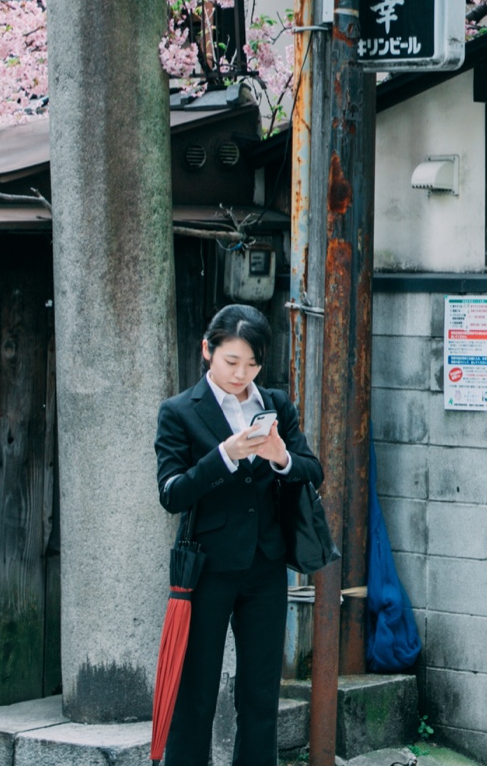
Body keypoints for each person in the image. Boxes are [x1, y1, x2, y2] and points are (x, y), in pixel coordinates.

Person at [155, 305, 319, 766]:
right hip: (206, 570)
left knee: (261, 695)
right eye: (231, 362)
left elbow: (312, 470)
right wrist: (224, 455)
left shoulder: (274, 405)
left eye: (252, 364)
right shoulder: (179, 412)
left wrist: (281, 457)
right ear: (207, 350)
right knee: (196, 694)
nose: (241, 374)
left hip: (265, 567)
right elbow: (171, 493)